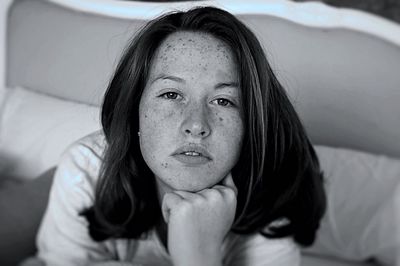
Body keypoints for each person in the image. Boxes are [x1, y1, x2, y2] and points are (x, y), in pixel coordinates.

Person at [33, 6, 326, 266]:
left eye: (224, 101)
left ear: (250, 124)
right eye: (171, 94)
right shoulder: (86, 170)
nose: (196, 125)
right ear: (134, 110)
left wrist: (198, 253)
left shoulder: (274, 197)